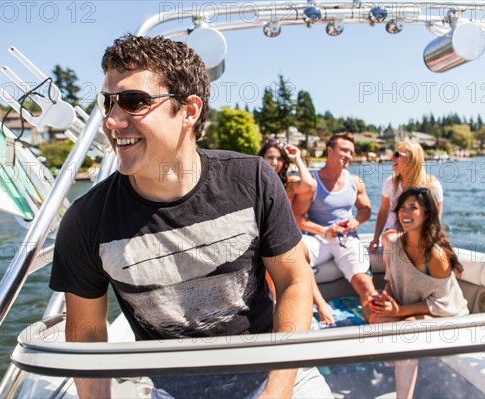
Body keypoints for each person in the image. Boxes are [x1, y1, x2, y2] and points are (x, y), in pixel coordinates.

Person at [49, 34, 332, 399]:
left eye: (134, 102)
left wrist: (277, 391)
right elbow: (87, 333)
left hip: (275, 376)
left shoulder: (253, 179)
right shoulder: (86, 220)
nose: (113, 121)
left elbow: (294, 280)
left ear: (190, 110)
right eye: (107, 103)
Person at [369, 187, 468, 398]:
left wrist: (399, 310)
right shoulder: (393, 242)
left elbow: (442, 303)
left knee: (407, 331)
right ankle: (398, 361)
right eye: (402, 208)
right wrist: (385, 299)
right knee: (376, 317)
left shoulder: (437, 255)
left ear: (427, 213)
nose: (405, 213)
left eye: (412, 208)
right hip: (410, 310)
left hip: (447, 314)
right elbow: (392, 280)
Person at [292, 132, 376, 321]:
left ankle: (376, 328)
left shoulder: (355, 182)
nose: (348, 155)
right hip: (318, 238)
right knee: (293, 251)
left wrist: (357, 221)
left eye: (351, 152)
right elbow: (297, 218)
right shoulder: (313, 183)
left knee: (367, 288)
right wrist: (324, 231)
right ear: (329, 151)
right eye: (343, 150)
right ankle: (321, 306)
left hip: (347, 240)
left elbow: (365, 209)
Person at [258, 140, 335, 325]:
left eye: (278, 159)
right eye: (270, 157)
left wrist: (297, 158)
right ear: (261, 159)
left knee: (296, 256)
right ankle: (280, 308)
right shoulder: (254, 185)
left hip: (284, 240)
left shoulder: (288, 186)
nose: (274, 162)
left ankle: (318, 305)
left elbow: (309, 185)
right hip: (262, 240)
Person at [368, 141, 444, 255]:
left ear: (412, 159)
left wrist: (431, 240)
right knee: (390, 239)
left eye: (397, 155)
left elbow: (436, 217)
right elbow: (383, 211)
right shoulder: (390, 183)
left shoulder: (432, 185)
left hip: (421, 233)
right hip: (393, 232)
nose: (392, 159)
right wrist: (375, 238)